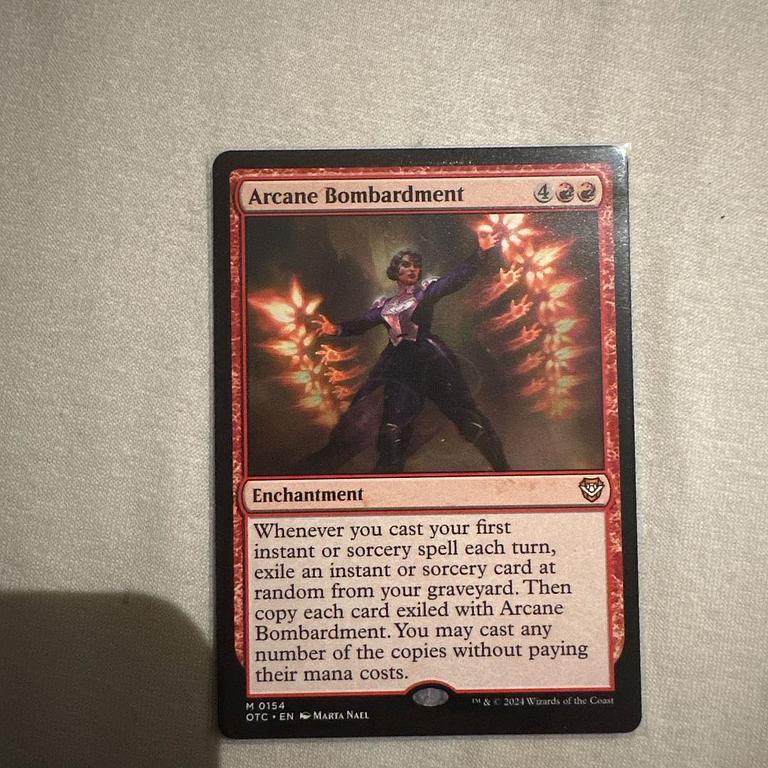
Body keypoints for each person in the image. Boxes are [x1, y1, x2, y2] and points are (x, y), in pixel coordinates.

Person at [306, 226, 510, 474]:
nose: (413, 269)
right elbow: (363, 323)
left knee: (467, 417)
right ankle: (389, 481)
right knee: (392, 429)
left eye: (416, 266)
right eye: (406, 265)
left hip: (430, 359)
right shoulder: (385, 305)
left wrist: (481, 252)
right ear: (396, 271)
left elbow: (455, 279)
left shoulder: (426, 293)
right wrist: (335, 329)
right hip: (399, 366)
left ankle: (503, 471)